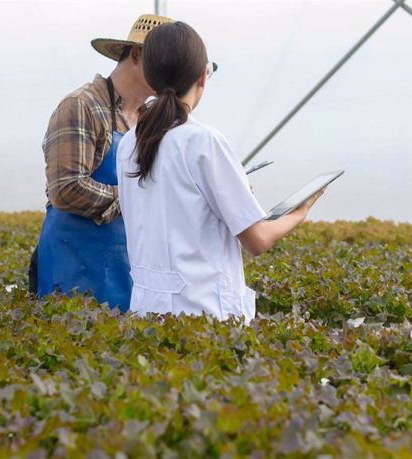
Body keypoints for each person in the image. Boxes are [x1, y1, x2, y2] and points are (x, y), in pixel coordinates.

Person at [116, 21, 324, 324]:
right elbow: (258, 240)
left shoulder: (130, 142)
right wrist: (300, 211)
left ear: (149, 75)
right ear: (203, 75)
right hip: (205, 320)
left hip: (147, 315)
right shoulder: (204, 141)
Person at [29, 14, 174, 311]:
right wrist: (138, 198)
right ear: (135, 55)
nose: (172, 76)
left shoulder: (148, 119)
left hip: (127, 265)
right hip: (73, 266)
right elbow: (67, 189)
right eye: (165, 64)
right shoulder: (82, 105)